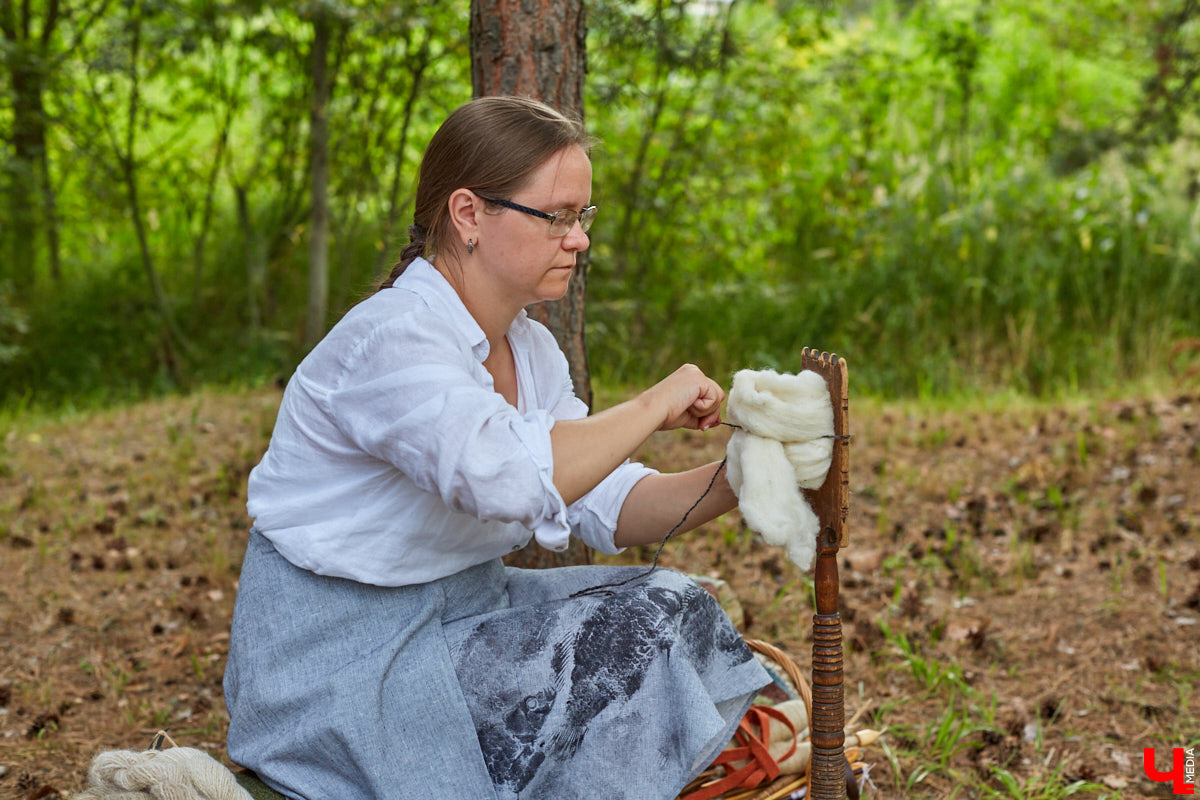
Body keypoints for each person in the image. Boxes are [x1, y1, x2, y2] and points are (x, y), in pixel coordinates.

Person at [223, 95, 770, 800]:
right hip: (340, 661)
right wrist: (653, 404)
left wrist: (740, 476)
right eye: (558, 217)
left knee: (670, 603)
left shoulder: (532, 350)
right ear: (468, 214)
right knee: (632, 628)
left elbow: (604, 500)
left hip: (462, 618)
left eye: (583, 217)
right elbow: (509, 478)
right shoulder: (393, 337)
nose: (580, 240)